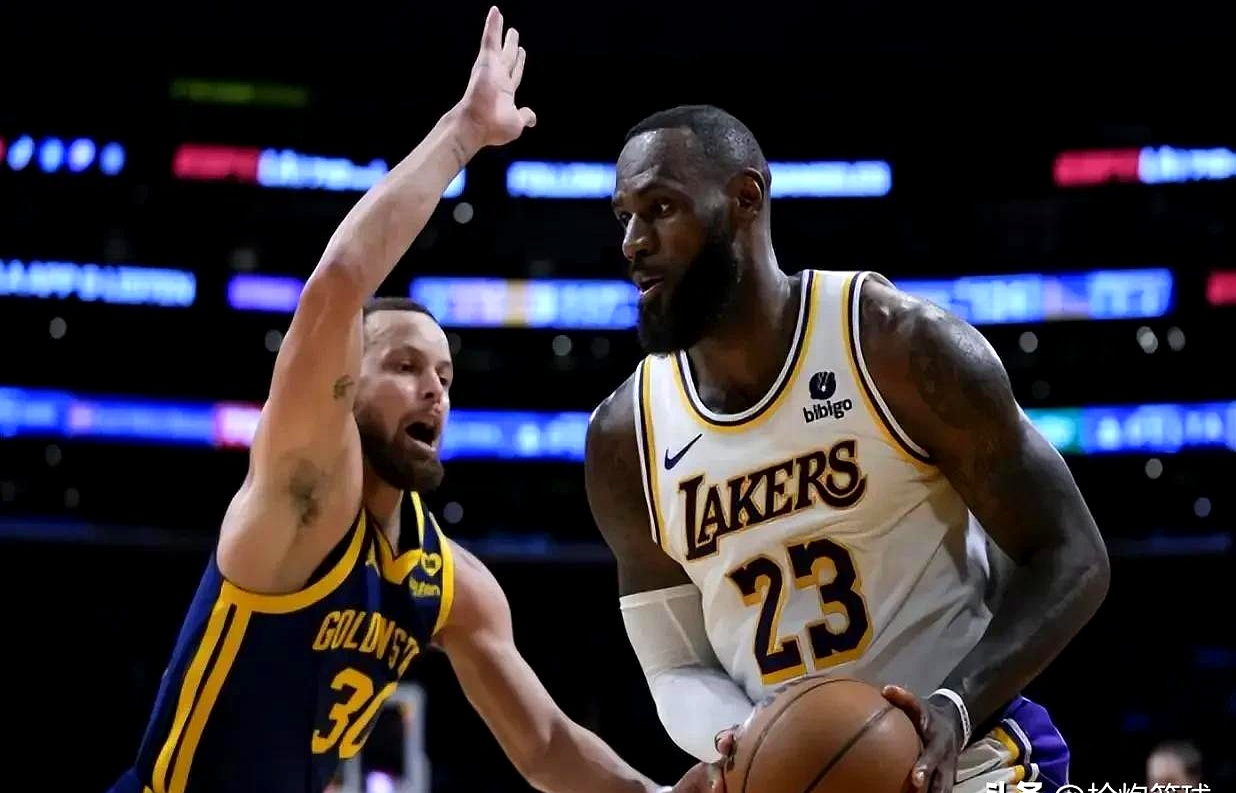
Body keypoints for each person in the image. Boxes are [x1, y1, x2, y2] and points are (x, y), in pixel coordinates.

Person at [107, 12, 713, 793]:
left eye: (446, 376)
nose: (434, 387)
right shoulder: (300, 493)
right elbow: (338, 284)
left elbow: (545, 743)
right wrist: (465, 132)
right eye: (402, 364)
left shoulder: (445, 579)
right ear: (343, 384)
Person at [584, 104, 1110, 793]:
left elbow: (1071, 554)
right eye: (623, 215)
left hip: (967, 763)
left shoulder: (894, 345)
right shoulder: (624, 437)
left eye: (660, 208)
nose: (633, 242)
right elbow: (675, 665)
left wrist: (955, 705)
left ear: (745, 199)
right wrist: (756, 738)